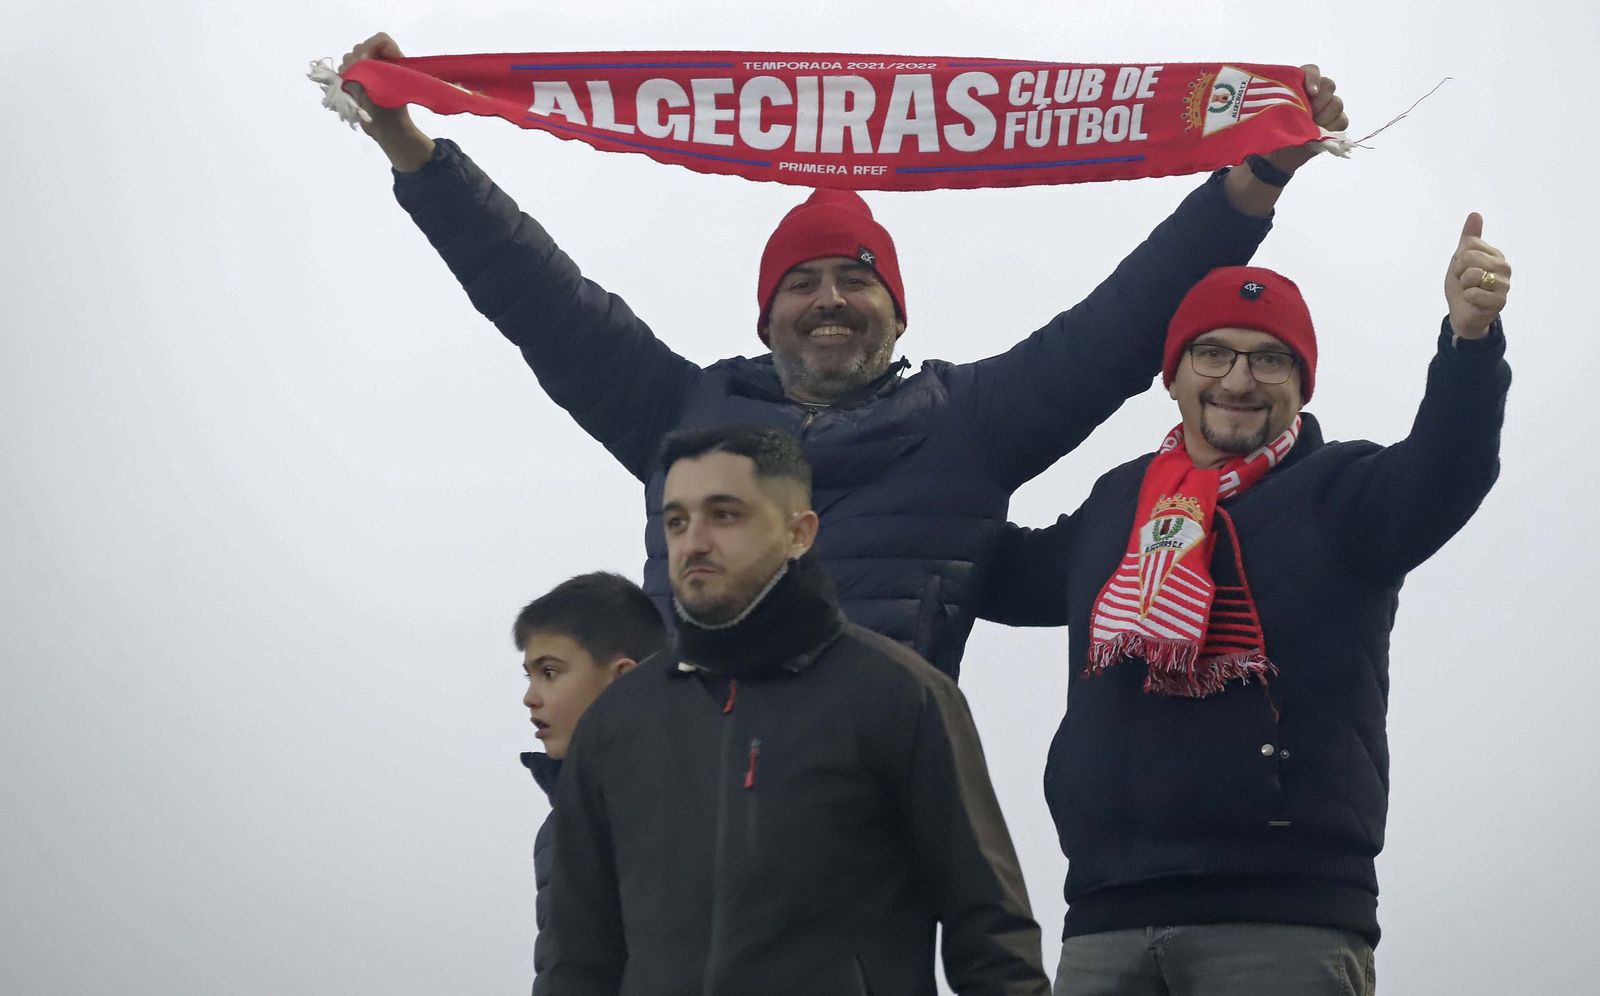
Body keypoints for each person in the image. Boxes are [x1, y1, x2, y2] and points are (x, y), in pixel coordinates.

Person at [334, 33, 1349, 678]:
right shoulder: (679, 419)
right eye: (803, 285)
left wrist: (1253, 176)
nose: (830, 301)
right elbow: (541, 303)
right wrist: (416, 154)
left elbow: (1125, 323)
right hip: (680, 825)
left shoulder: (971, 429)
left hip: (869, 842)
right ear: (767, 315)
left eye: (856, 282)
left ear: (895, 314)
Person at [975, 216, 1513, 994]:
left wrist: (1469, 343)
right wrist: (907, 480)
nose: (1237, 380)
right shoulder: (1118, 503)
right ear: (1173, 373)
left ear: (1302, 384)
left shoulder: (1344, 491)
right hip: (1103, 916)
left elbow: (1448, 473)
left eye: (1269, 360)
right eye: (1213, 353)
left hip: (1285, 918)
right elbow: (1002, 575)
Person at [543, 425, 1050, 994]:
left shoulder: (898, 696)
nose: (694, 542)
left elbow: (990, 934)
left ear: (799, 533)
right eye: (677, 521)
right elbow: (577, 952)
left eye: (725, 514)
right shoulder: (618, 722)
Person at [512, 573, 667, 995]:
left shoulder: (676, 804)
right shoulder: (563, 822)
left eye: (549, 672)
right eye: (528, 675)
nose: (530, 697)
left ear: (622, 679)